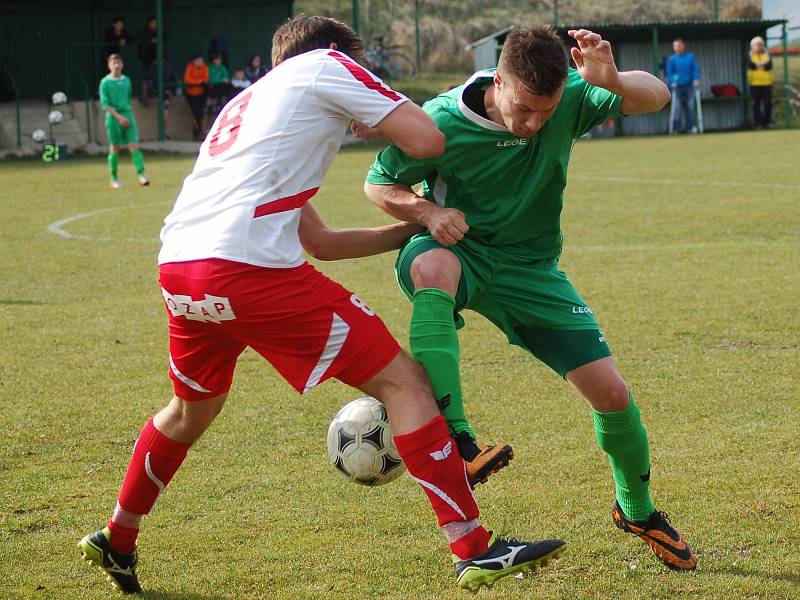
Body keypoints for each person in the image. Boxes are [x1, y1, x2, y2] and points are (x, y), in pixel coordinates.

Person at [77, 16, 565, 596]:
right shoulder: (325, 65)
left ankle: (118, 536)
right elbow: (427, 140)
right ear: (338, 56)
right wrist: (372, 121)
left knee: (190, 410)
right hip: (248, 271)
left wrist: (418, 228)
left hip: (182, 272)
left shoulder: (253, 110)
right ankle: (473, 547)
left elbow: (322, 244)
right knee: (405, 383)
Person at [363, 25, 697, 572]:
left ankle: (636, 510)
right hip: (461, 250)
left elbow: (655, 95)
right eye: (523, 109)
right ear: (498, 82)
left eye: (546, 111)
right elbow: (379, 183)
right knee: (431, 265)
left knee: (611, 393)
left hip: (533, 270)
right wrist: (427, 213)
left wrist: (609, 78)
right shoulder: (441, 121)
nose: (535, 123)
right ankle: (458, 440)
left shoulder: (566, 98)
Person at [99, 53, 149, 189]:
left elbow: (127, 98)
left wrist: (126, 115)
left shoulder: (127, 80)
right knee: (115, 148)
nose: (116, 65)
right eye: (113, 63)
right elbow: (106, 105)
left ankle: (141, 175)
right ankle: (114, 178)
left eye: (119, 62)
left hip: (128, 115)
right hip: (114, 118)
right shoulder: (105, 82)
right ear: (109, 65)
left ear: (122, 64)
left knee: (134, 145)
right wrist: (119, 118)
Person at [666, 38, 701, 133]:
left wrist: (696, 78)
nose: (677, 47)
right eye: (675, 46)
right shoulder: (672, 59)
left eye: (678, 45)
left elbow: (695, 69)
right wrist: (672, 81)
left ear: (683, 46)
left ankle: (691, 127)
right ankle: (676, 128)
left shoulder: (690, 57)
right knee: (676, 108)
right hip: (677, 87)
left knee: (690, 107)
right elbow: (670, 73)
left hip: (689, 86)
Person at [143, 56, 179, 137]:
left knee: (164, 111)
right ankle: (165, 131)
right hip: (158, 92)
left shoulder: (166, 66)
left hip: (165, 92)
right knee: (164, 111)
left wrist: (173, 94)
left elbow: (174, 80)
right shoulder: (153, 67)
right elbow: (146, 82)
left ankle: (166, 131)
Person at [748, 36, 773, 128]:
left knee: (768, 104)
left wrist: (759, 66)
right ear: (753, 46)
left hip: (767, 83)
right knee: (756, 105)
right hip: (754, 84)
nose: (759, 46)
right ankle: (758, 123)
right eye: (757, 45)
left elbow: (769, 66)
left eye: (760, 44)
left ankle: (767, 122)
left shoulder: (767, 55)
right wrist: (760, 66)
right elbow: (751, 66)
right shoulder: (750, 55)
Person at [183, 54, 208, 140]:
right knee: (195, 112)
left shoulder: (204, 67)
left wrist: (200, 82)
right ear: (194, 61)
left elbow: (205, 79)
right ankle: (197, 132)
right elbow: (187, 79)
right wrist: (198, 81)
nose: (201, 62)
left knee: (201, 113)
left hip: (201, 93)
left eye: (202, 60)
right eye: (199, 60)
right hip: (191, 94)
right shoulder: (190, 67)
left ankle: (200, 132)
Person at [206, 53, 230, 118]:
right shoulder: (209, 67)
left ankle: (219, 106)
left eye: (218, 59)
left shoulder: (223, 67)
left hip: (221, 88)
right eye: (215, 59)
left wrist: (217, 79)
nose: (217, 61)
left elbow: (227, 79)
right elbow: (209, 79)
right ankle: (213, 106)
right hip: (211, 88)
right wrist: (221, 79)